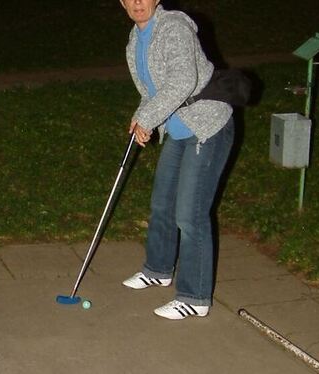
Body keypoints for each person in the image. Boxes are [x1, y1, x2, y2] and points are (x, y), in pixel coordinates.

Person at [119, 0, 234, 320]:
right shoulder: (135, 39)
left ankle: (195, 296)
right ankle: (158, 268)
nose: (137, 2)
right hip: (179, 130)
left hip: (206, 126)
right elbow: (151, 90)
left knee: (190, 214)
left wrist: (150, 118)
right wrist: (142, 117)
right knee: (162, 204)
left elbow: (182, 80)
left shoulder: (174, 28)